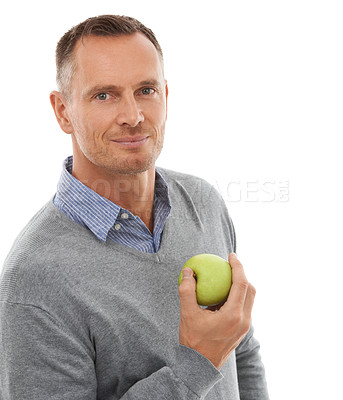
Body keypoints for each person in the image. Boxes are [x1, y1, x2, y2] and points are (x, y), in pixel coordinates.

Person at [0, 15, 269, 399]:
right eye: (104, 95)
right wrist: (196, 364)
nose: (133, 116)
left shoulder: (204, 202)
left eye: (146, 90)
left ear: (166, 94)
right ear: (62, 112)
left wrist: (216, 352)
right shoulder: (35, 278)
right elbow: (213, 356)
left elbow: (241, 353)